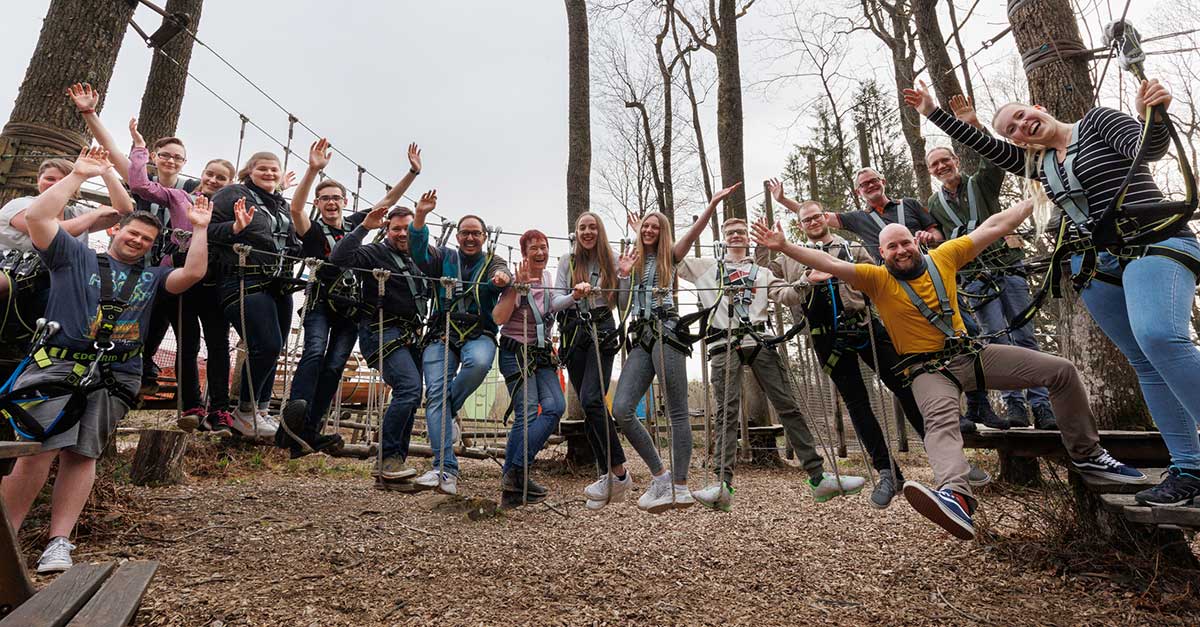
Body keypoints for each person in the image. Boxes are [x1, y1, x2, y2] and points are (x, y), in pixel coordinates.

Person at [754, 199, 1146, 540]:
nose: (901, 251)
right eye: (891, 247)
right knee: (940, 423)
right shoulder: (874, 279)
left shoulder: (944, 257)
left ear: (914, 241)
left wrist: (1036, 198)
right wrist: (784, 246)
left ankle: (1087, 452)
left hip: (971, 356)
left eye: (905, 242)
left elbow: (994, 227)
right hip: (928, 372)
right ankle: (955, 496)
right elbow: (824, 261)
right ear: (882, 253)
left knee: (1061, 371)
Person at [905, 77, 1200, 507]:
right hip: (1098, 266)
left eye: (1023, 115)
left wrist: (1151, 112)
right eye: (1012, 129)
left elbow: (1149, 149)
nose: (1022, 127)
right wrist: (934, 112)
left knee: (1160, 337)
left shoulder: (1096, 122)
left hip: (1152, 243)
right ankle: (1189, 467)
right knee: (1144, 361)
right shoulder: (1038, 164)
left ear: (1039, 106)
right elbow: (988, 148)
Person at [0, 147, 210, 573]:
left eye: (147, 240)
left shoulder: (151, 278)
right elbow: (41, 219)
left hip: (114, 372)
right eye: (132, 233)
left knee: (83, 454)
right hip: (58, 365)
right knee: (34, 453)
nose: (137, 240)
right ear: (115, 231)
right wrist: (77, 175)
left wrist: (202, 229)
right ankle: (7, 537)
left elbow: (192, 275)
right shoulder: (71, 257)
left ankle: (60, 541)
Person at [767, 188, 967, 509]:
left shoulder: (852, 247)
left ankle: (945, 457)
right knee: (858, 405)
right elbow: (772, 289)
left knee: (905, 387)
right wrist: (807, 280)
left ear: (825, 218)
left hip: (864, 326)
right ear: (800, 225)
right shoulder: (790, 257)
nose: (814, 222)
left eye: (818, 216)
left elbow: (883, 275)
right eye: (807, 219)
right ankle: (888, 471)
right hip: (826, 337)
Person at [680, 212, 866, 513]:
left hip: (760, 340)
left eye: (741, 231)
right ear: (724, 238)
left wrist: (806, 280)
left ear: (749, 238)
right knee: (726, 411)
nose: (737, 235)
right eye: (731, 232)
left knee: (787, 405)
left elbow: (787, 295)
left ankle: (818, 477)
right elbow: (675, 259)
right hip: (722, 342)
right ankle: (722, 483)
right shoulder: (706, 267)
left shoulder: (763, 273)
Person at [282, 139, 422, 457]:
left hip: (352, 308)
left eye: (336, 198)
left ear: (345, 201)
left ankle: (311, 429)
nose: (331, 203)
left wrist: (411, 174)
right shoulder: (312, 230)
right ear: (318, 203)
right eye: (325, 198)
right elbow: (294, 208)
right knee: (315, 352)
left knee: (334, 365)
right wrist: (313, 170)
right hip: (321, 302)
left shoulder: (355, 224)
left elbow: (387, 201)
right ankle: (296, 415)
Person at [601, 184, 737, 513]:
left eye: (655, 226)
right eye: (645, 225)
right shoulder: (631, 262)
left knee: (677, 412)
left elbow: (693, 233)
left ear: (663, 233)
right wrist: (621, 275)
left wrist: (712, 205)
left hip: (667, 332)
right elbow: (622, 304)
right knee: (621, 408)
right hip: (641, 337)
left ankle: (679, 485)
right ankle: (660, 478)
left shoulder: (670, 256)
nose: (649, 230)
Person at [924, 94, 1056, 430]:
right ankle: (1014, 406)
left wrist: (973, 125)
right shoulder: (934, 203)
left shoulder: (980, 183)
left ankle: (1041, 406)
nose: (942, 167)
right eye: (934, 165)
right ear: (931, 172)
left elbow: (995, 159)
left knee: (1025, 335)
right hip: (973, 277)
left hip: (1005, 267)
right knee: (995, 341)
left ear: (955, 159)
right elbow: (939, 234)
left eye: (945, 160)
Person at [67, 84, 204, 400]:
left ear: (184, 162)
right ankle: (123, 371)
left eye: (178, 157)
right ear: (154, 157)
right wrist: (89, 113)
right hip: (138, 265)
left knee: (166, 321)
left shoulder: (191, 193)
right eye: (165, 155)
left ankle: (166, 384)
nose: (171, 161)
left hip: (169, 269)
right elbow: (111, 147)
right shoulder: (140, 181)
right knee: (130, 316)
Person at [409, 202, 511, 495]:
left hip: (479, 333)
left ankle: (448, 411)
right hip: (441, 333)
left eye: (475, 233)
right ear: (457, 236)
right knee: (436, 392)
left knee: (478, 364)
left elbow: (503, 274)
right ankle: (445, 469)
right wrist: (420, 217)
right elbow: (419, 251)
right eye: (465, 233)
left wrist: (503, 279)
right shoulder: (444, 257)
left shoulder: (493, 261)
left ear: (484, 237)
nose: (470, 238)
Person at [0, 156, 132, 368]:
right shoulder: (21, 205)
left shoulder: (76, 212)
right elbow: (50, 231)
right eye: (49, 179)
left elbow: (124, 210)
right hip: (13, 270)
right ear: (38, 180)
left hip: (56, 284)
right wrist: (93, 216)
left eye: (63, 180)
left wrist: (106, 171)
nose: (55, 184)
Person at [330, 199, 431, 474]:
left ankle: (395, 461)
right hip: (381, 331)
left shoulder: (422, 257)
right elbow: (339, 259)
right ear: (387, 230)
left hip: (411, 334)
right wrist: (363, 227)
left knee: (411, 395)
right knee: (409, 389)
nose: (402, 234)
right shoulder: (374, 253)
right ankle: (387, 459)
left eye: (407, 229)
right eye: (396, 229)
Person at [208, 152, 301, 440]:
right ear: (250, 170)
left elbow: (290, 238)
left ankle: (259, 411)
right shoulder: (232, 194)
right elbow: (206, 229)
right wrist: (235, 228)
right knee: (267, 343)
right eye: (263, 168)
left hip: (278, 283)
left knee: (276, 346)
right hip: (242, 278)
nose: (269, 173)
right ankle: (244, 411)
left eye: (274, 169)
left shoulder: (282, 205)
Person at [555, 211, 635, 509]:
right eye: (582, 228)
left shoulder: (612, 260)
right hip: (574, 332)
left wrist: (624, 275)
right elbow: (555, 302)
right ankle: (607, 477)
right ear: (576, 233)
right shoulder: (568, 261)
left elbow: (623, 304)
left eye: (592, 227)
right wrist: (574, 296)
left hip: (601, 329)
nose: (587, 232)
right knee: (592, 406)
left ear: (599, 231)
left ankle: (619, 472)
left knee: (591, 399)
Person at [491, 230, 571, 507]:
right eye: (534, 248)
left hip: (540, 354)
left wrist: (576, 295)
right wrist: (515, 288)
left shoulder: (548, 279)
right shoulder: (514, 279)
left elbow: (554, 305)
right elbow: (499, 317)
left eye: (544, 247)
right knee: (526, 412)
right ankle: (514, 480)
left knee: (555, 406)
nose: (540, 253)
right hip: (515, 353)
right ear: (524, 252)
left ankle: (515, 471)